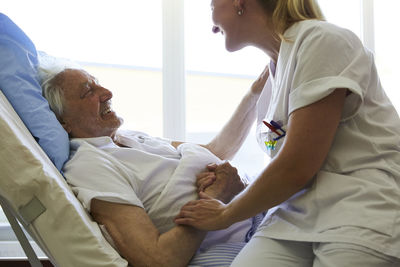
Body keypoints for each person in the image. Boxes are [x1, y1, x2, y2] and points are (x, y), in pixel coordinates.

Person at [175, 0, 400, 266]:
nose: (212, 26)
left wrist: (225, 214)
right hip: (290, 218)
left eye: (211, 4)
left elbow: (297, 165)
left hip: (357, 210)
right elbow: (271, 156)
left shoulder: (323, 40)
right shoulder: (272, 77)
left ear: (239, 2)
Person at [39, 66, 267, 267]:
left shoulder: (128, 138)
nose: (107, 93)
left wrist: (256, 93)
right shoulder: (90, 166)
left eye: (98, 84)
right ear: (62, 122)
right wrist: (216, 198)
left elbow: (216, 151)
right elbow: (157, 260)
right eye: (88, 92)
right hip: (237, 240)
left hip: (253, 211)